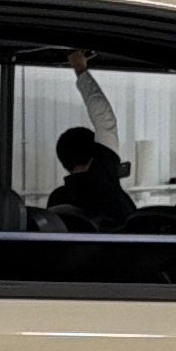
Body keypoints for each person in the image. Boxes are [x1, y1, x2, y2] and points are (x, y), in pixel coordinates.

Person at [43, 55, 141, 230]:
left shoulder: (57, 199)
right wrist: (81, 69)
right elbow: (105, 119)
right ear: (95, 153)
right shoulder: (106, 187)